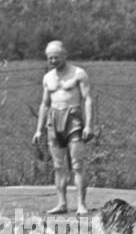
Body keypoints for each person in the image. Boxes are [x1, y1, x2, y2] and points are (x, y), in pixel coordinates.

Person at [33, 41, 93, 215]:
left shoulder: (78, 73)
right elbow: (44, 104)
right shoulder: (48, 78)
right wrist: (39, 129)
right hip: (54, 119)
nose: (53, 60)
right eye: (50, 58)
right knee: (58, 166)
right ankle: (62, 203)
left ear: (64, 55)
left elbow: (87, 99)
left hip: (73, 118)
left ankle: (81, 203)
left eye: (56, 57)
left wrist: (88, 125)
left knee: (77, 164)